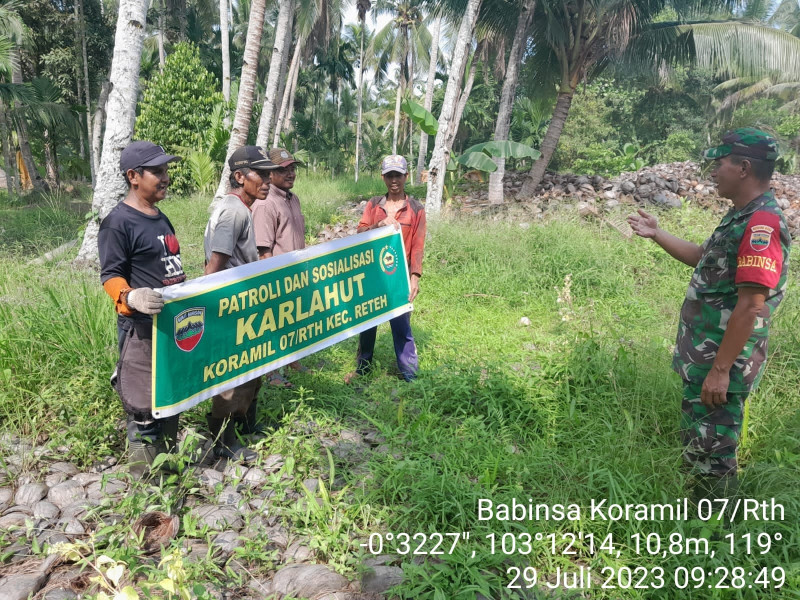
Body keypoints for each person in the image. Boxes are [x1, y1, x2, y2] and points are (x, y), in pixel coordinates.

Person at [627, 128, 790, 504]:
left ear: (744, 168)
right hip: (707, 356)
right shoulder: (739, 216)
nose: (713, 171)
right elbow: (703, 257)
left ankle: (717, 539)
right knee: (701, 443)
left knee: (714, 455)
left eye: (720, 163)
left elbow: (751, 305)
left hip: (722, 361)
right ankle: (700, 520)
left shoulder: (760, 224)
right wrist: (657, 234)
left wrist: (720, 370)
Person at [98, 141, 186, 478]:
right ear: (133, 176)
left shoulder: (159, 217)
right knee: (143, 408)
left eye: (166, 170)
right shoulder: (118, 223)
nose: (165, 177)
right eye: (158, 172)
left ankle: (169, 470)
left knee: (169, 399)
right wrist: (131, 297)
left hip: (169, 329)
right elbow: (109, 275)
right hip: (140, 332)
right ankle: (147, 486)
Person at [203, 145, 275, 461]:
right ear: (239, 176)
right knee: (231, 376)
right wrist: (213, 308)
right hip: (230, 305)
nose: (267, 179)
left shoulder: (241, 209)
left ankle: (246, 425)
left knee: (250, 368)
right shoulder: (233, 211)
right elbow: (215, 263)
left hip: (243, 302)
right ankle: (224, 439)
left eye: (268, 173)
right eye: (260, 173)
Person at [344, 154, 426, 384]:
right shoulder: (373, 205)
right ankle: (364, 368)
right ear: (383, 177)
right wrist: (377, 225)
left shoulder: (416, 209)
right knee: (367, 324)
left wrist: (415, 278)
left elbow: (418, 246)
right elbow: (359, 233)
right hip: (372, 275)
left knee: (401, 324)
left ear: (405, 177)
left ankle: (410, 374)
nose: (394, 180)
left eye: (398, 175)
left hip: (398, 277)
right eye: (389, 175)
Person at [251, 147, 308, 388]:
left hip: (295, 273)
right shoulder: (266, 203)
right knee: (274, 324)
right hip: (276, 276)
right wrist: (270, 284)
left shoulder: (292, 199)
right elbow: (264, 250)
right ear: (270, 174)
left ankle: (293, 361)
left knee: (293, 320)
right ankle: (273, 373)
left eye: (292, 168)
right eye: (283, 170)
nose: (290, 174)